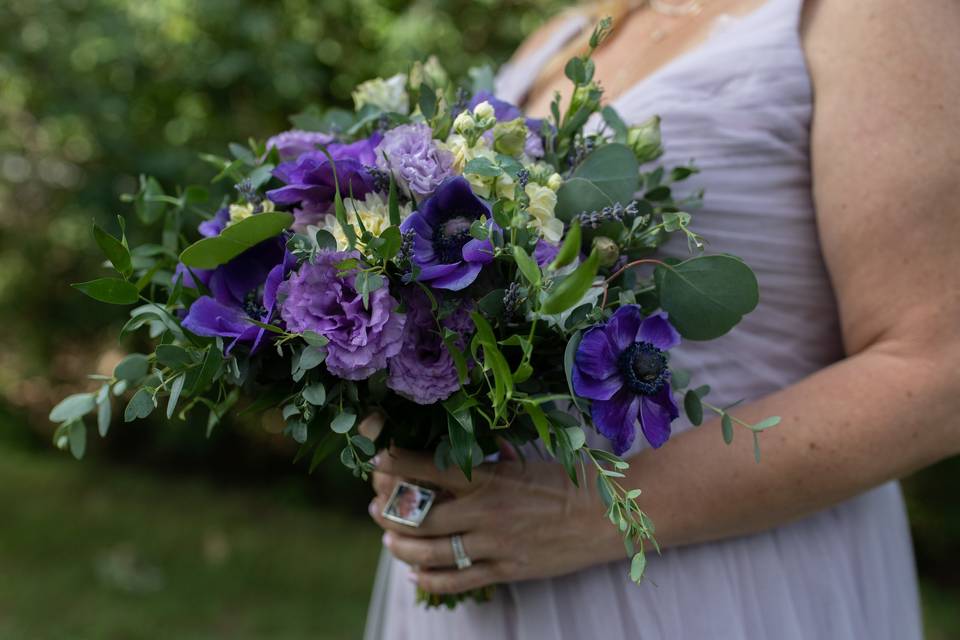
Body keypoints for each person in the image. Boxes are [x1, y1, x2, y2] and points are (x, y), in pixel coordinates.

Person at [364, 0, 960, 637]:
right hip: (488, 586)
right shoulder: (573, 30)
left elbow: (938, 373)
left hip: (715, 587)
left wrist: (588, 513)